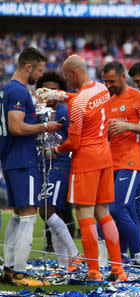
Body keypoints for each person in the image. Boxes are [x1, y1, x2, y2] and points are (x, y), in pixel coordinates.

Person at [54, 55, 126, 282]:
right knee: (104, 214)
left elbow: (73, 143)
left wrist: (56, 149)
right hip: (105, 157)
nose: (67, 81)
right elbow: (84, 99)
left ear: (73, 73)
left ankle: (94, 272)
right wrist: (60, 95)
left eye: (66, 77)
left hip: (85, 161)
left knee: (84, 216)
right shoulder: (102, 89)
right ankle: (118, 271)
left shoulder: (77, 103)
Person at [0, 47, 61, 286]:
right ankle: (20, 272)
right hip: (23, 159)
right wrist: (45, 127)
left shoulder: (6, 89)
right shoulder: (17, 90)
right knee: (28, 216)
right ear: (29, 67)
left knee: (17, 215)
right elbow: (16, 127)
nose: (40, 74)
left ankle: (8, 267)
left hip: (12, 159)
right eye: (40, 69)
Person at [101, 61, 140, 265]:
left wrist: (127, 126)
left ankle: (139, 254)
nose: (108, 85)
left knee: (117, 209)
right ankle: (123, 255)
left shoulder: (138, 97)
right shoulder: (106, 100)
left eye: (112, 81)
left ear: (122, 77)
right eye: (105, 82)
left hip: (131, 162)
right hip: (110, 163)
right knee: (123, 210)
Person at [35, 72, 83, 275]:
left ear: (59, 91)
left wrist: (56, 150)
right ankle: (64, 266)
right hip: (42, 167)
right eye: (43, 90)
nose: (47, 94)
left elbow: (74, 140)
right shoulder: (36, 111)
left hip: (60, 165)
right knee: (55, 215)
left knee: (46, 210)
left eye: (52, 90)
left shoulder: (65, 111)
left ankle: (75, 256)